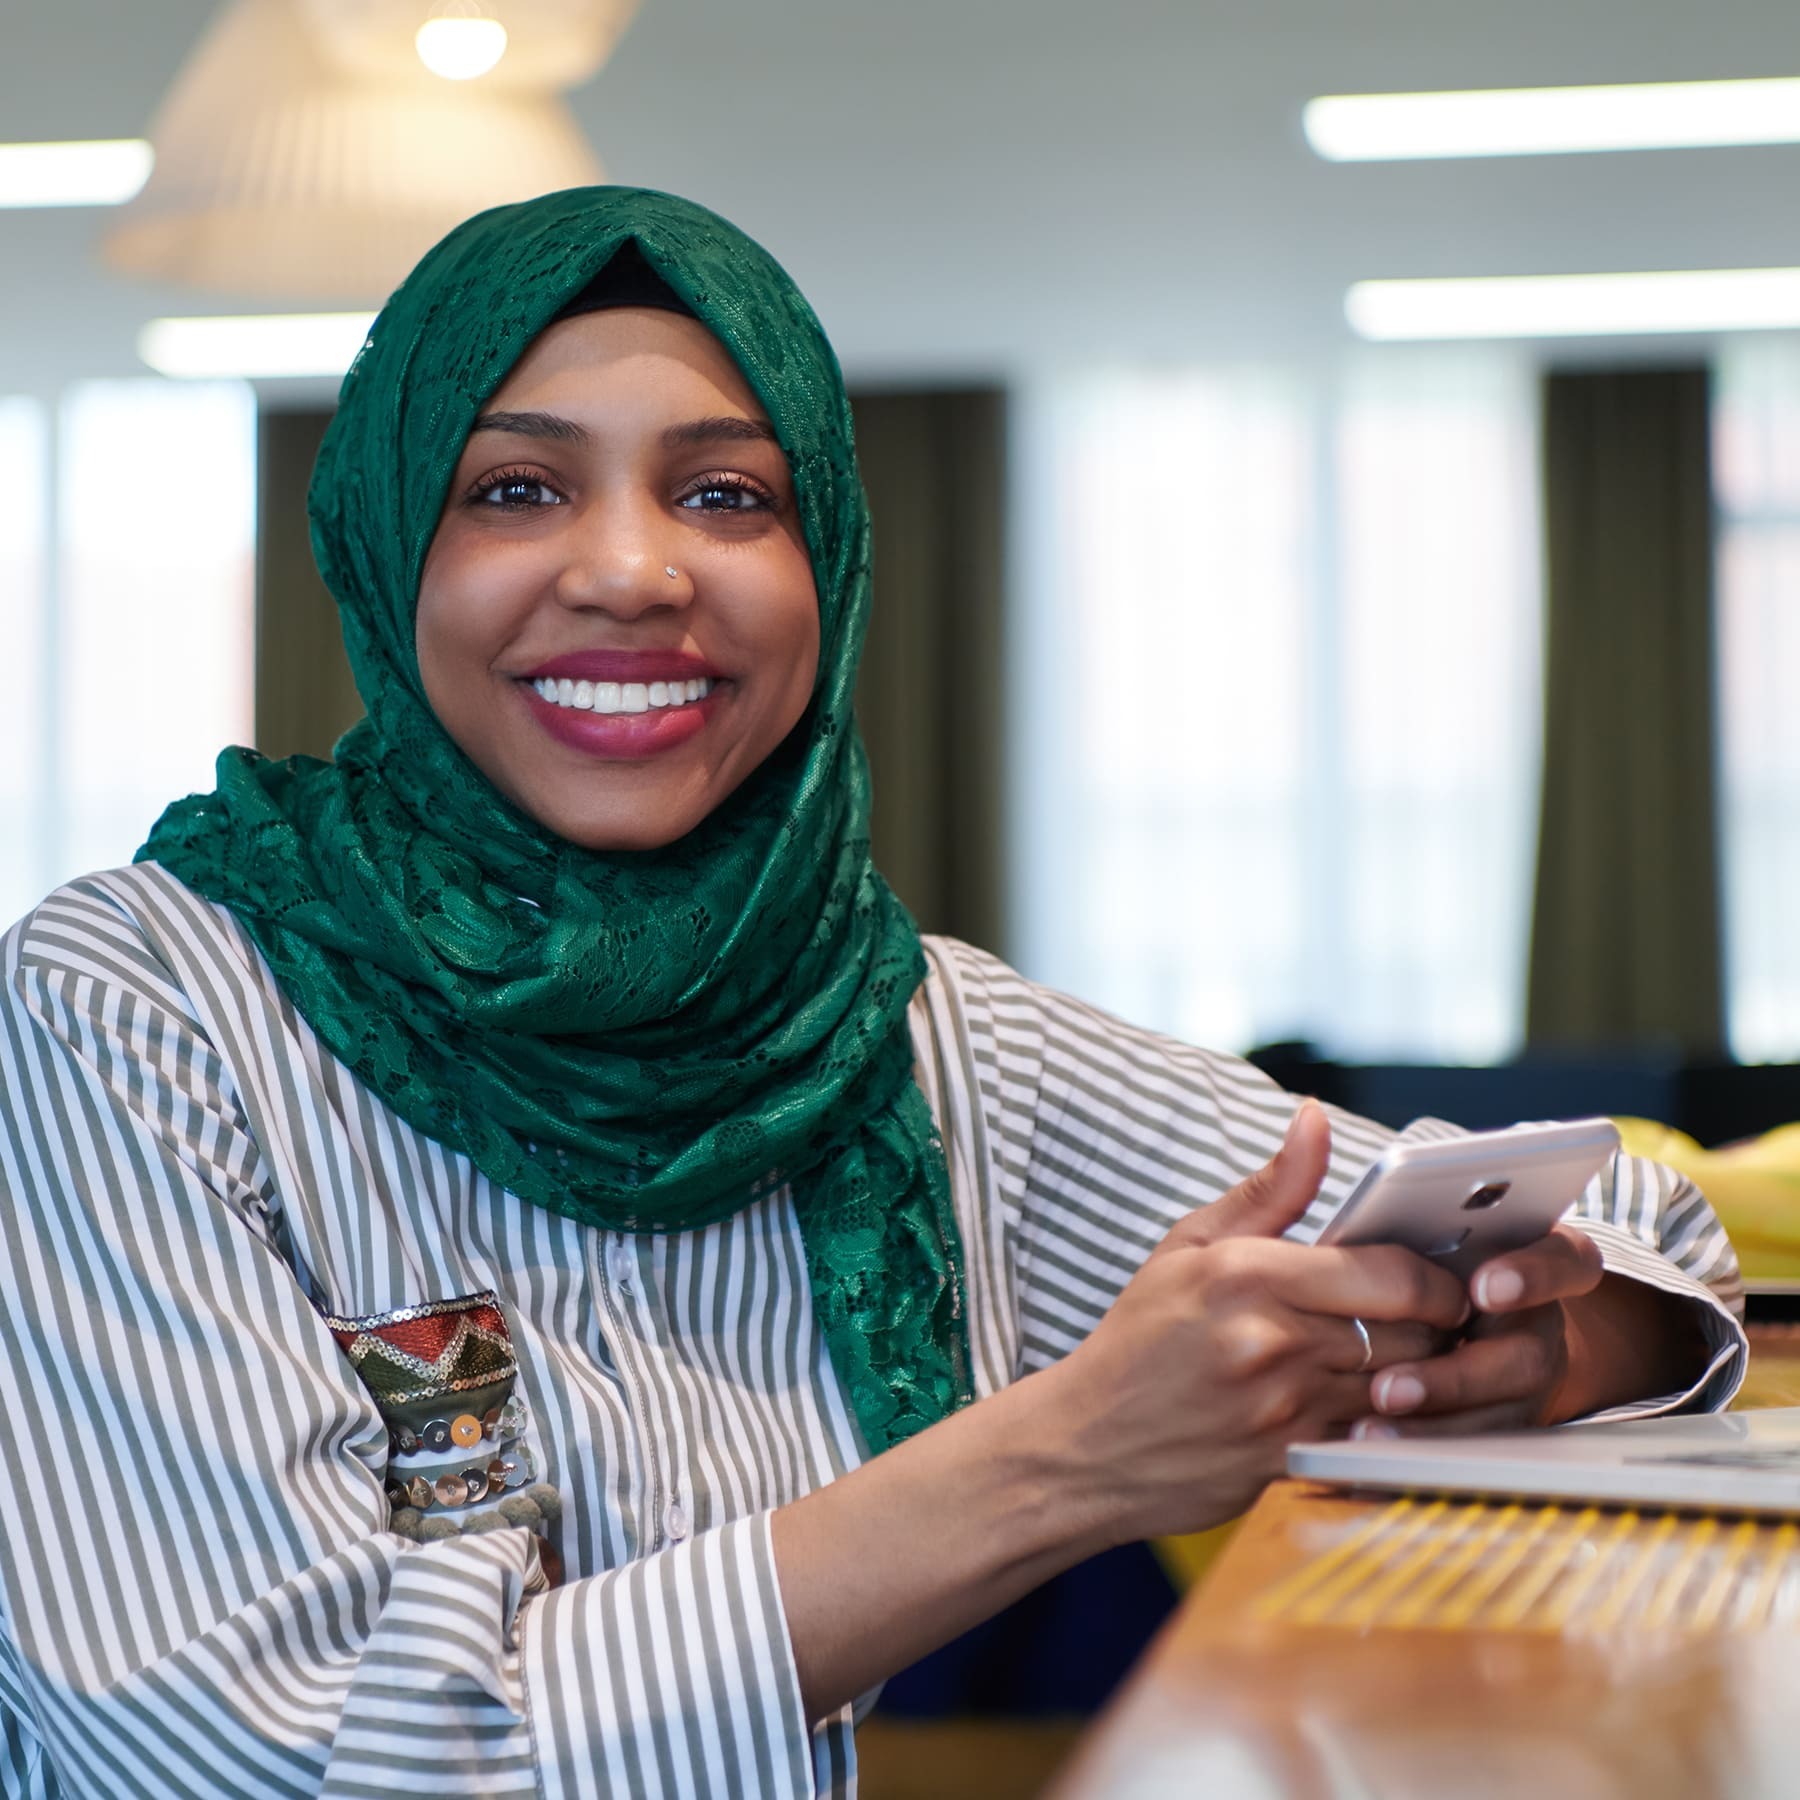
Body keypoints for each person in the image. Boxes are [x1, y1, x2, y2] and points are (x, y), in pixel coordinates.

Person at [0, 187, 1744, 1799]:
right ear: (390, 556)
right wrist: (1058, 1464)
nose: (633, 568)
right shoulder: (146, 1006)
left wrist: (1525, 1346)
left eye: (727, 492)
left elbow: (1642, 1221)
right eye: (516, 489)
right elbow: (233, 1752)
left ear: (824, 567)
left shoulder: (904, 1034)